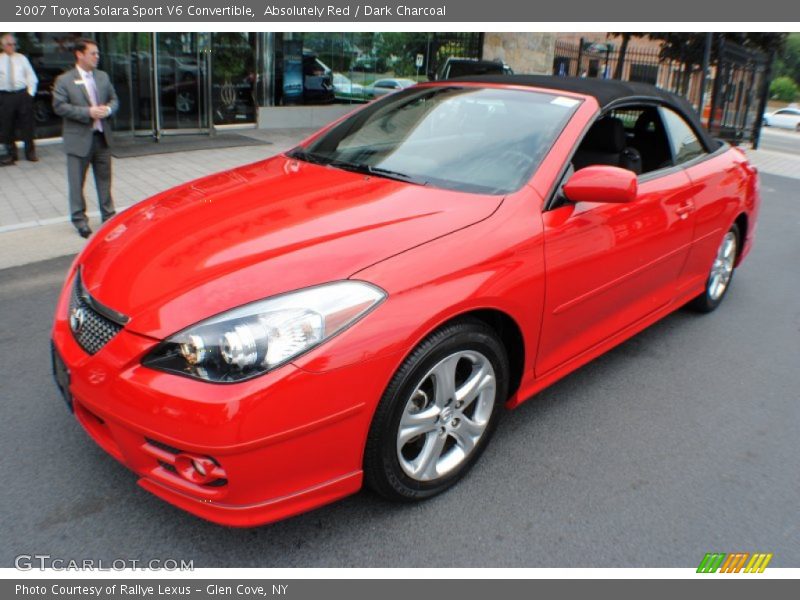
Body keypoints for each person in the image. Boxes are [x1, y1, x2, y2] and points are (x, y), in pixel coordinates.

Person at [52, 38, 118, 238]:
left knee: (105, 180)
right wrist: (87, 112)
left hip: (101, 138)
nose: (97, 57)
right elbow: (59, 106)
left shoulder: (103, 77)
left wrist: (107, 109)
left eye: (98, 53)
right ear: (79, 55)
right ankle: (80, 220)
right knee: (77, 182)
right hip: (78, 140)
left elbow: (114, 99)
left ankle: (109, 217)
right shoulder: (65, 80)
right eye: (93, 53)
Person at [0, 33, 38, 164]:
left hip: (22, 95)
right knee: (7, 126)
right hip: (5, 96)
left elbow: (31, 77)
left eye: (14, 44)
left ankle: (30, 153)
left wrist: (30, 94)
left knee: (27, 125)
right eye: (9, 44)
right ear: (3, 46)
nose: (12, 47)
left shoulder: (22, 58)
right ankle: (11, 154)